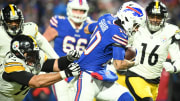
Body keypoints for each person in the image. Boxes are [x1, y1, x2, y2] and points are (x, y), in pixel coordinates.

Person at [72, 1, 146, 101]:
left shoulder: (107, 17)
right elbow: (118, 65)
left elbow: (86, 29)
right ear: (128, 19)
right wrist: (134, 63)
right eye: (136, 25)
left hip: (100, 76)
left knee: (126, 98)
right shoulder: (120, 35)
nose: (136, 29)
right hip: (86, 76)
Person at [117, 1, 180, 101]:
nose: (155, 20)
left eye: (158, 17)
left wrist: (174, 68)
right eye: (152, 16)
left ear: (164, 18)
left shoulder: (170, 32)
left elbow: (177, 58)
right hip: (135, 76)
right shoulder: (137, 27)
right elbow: (120, 43)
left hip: (154, 83)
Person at [0, 35, 80, 101]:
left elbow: (56, 65)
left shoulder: (33, 59)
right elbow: (36, 82)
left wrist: (68, 59)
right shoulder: (12, 64)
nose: (34, 57)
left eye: (35, 53)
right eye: (30, 54)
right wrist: (66, 73)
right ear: (18, 54)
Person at [43, 0, 92, 100]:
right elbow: (42, 43)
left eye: (81, 11)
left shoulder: (90, 26)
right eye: (76, 10)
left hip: (80, 72)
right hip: (60, 70)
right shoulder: (59, 23)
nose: (78, 13)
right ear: (69, 10)